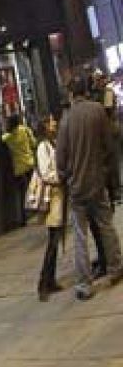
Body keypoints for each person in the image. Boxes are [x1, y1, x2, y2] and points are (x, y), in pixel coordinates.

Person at [57, 74, 123, 300]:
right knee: (106, 226)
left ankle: (84, 285)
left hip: (77, 188)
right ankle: (116, 268)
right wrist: (107, 174)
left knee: (80, 236)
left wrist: (66, 177)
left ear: (70, 93)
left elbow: (60, 159)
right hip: (97, 182)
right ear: (86, 90)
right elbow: (109, 146)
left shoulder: (66, 119)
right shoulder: (97, 111)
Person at [28, 114, 66, 301]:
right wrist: (61, 177)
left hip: (59, 195)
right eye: (51, 121)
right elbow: (45, 173)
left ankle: (50, 280)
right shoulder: (43, 147)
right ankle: (43, 283)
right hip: (52, 197)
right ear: (45, 125)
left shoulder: (53, 143)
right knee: (53, 240)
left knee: (55, 239)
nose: (54, 123)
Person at [2, 114, 37, 226]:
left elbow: (1, 141)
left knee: (22, 193)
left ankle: (23, 218)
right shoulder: (25, 130)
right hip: (29, 163)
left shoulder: (8, 137)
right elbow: (34, 143)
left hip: (18, 169)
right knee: (34, 188)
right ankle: (37, 210)